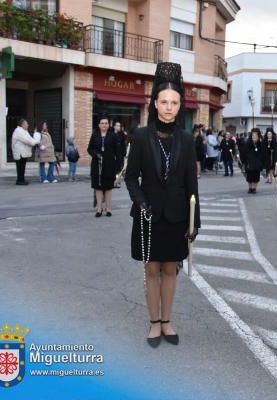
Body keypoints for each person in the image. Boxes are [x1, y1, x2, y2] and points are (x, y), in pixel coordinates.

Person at [124, 62, 200, 347]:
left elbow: (192, 185)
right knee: (150, 270)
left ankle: (167, 321)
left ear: (181, 106)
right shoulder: (141, 136)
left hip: (178, 215)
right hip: (147, 215)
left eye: (175, 102)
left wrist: (195, 223)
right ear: (155, 103)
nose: (169, 107)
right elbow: (131, 178)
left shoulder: (187, 139)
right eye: (164, 101)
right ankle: (154, 323)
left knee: (170, 270)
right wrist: (141, 202)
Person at [87, 115, 120, 217]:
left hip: (109, 165)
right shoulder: (95, 135)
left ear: (108, 125)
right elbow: (89, 149)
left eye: (106, 123)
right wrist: (95, 154)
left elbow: (118, 151)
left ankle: (108, 209)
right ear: (99, 125)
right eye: (102, 123)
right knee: (98, 187)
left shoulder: (113, 136)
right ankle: (99, 209)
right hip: (97, 164)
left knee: (108, 187)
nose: (104, 125)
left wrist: (118, 166)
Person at [11, 119, 40, 185]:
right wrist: (36, 142)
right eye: (27, 124)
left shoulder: (24, 131)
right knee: (20, 167)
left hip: (23, 153)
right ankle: (19, 181)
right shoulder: (18, 131)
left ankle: (22, 179)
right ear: (22, 125)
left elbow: (30, 139)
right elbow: (27, 140)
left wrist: (35, 141)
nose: (28, 125)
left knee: (22, 167)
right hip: (20, 153)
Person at [245, 128, 265, 194]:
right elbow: (245, 151)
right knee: (249, 176)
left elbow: (262, 152)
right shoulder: (248, 142)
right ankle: (250, 188)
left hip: (257, 162)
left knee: (256, 176)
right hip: (250, 161)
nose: (254, 136)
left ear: (258, 136)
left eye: (256, 135)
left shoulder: (260, 143)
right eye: (253, 135)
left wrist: (261, 161)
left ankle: (254, 188)